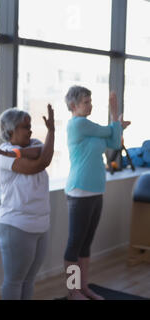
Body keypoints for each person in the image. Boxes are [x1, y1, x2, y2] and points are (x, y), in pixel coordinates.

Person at [64, 86, 130, 300]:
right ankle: (73, 291)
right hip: (79, 191)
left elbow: (113, 142)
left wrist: (115, 124)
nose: (90, 105)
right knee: (74, 245)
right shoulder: (78, 124)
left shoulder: (92, 130)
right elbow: (108, 132)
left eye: (91, 101)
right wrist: (116, 122)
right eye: (86, 101)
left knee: (86, 244)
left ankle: (83, 287)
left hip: (96, 189)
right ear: (73, 106)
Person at [0, 104, 55, 300]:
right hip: (16, 225)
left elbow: (44, 151)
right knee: (14, 281)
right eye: (25, 127)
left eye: (30, 126)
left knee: (29, 280)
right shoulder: (3, 153)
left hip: (40, 224)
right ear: (10, 130)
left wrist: (19, 153)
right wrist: (51, 132)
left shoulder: (31, 143)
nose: (30, 131)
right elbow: (40, 163)